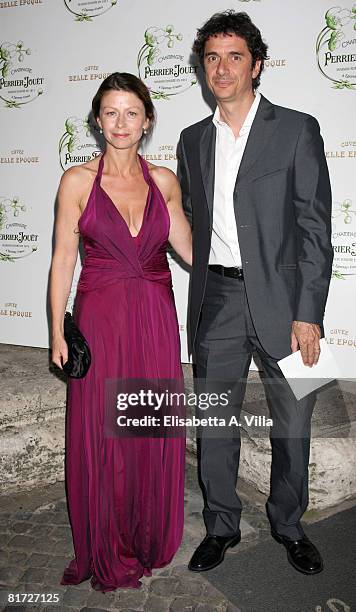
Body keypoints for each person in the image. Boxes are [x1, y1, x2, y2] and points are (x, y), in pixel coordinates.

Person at [177, 11, 333, 575]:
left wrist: (309, 313)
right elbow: (193, 216)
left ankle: (290, 526)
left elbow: (315, 228)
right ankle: (222, 526)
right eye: (212, 57)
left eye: (234, 56)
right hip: (215, 298)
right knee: (214, 421)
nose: (222, 67)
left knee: (295, 421)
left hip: (288, 303)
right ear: (204, 67)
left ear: (256, 64)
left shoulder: (297, 128)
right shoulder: (192, 139)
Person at [50, 72, 191, 591]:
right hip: (101, 321)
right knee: (104, 432)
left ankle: (147, 531)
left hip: (155, 321)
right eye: (111, 112)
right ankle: (107, 541)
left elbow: (194, 252)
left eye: (132, 112)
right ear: (96, 120)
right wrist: (57, 332)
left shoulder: (165, 182)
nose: (121, 123)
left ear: (148, 120)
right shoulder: (77, 181)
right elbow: (63, 259)